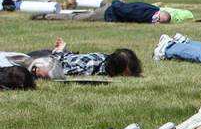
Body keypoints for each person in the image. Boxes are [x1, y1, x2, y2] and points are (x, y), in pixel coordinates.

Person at [9, 38, 143, 78]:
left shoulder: (104, 58)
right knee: (9, 64)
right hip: (46, 58)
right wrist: (59, 52)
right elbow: (59, 69)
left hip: (58, 55)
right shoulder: (90, 67)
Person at [31, 0, 192, 24]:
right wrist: (116, 2)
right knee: (77, 18)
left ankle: (71, 3)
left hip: (111, 6)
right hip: (108, 13)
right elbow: (120, 9)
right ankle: (45, 15)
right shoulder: (141, 15)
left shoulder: (153, 8)